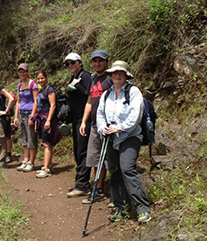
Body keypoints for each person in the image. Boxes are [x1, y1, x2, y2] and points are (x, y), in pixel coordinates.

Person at [96, 60, 151, 224]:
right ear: (111, 75)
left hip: (130, 136)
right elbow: (99, 114)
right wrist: (102, 128)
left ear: (126, 75)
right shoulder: (107, 94)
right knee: (114, 170)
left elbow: (135, 116)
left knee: (127, 168)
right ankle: (121, 208)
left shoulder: (134, 92)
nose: (117, 75)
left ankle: (142, 208)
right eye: (114, 73)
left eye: (120, 73)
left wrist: (119, 128)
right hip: (111, 137)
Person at [77, 50, 113, 205]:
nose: (98, 64)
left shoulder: (111, 79)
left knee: (111, 159)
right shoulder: (92, 79)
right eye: (95, 61)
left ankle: (114, 192)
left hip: (109, 125)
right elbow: (89, 102)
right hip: (94, 125)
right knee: (94, 159)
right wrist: (84, 121)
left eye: (101, 61)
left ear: (106, 62)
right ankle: (98, 189)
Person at [63, 53, 93, 197]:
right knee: (77, 151)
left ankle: (83, 185)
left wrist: (77, 87)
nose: (70, 66)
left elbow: (89, 95)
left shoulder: (85, 76)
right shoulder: (74, 77)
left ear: (80, 62)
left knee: (83, 151)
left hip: (84, 119)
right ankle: (80, 181)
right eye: (67, 64)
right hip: (76, 119)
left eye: (72, 62)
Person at [31, 71, 61, 178]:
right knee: (45, 143)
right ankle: (47, 165)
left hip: (47, 118)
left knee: (46, 143)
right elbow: (38, 105)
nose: (40, 80)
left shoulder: (49, 89)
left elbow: (53, 105)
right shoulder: (40, 90)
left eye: (42, 78)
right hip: (41, 118)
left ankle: (47, 169)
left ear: (46, 78)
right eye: (38, 79)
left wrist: (48, 120)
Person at [14, 63, 38, 172]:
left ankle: (31, 162)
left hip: (29, 113)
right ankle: (25, 159)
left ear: (27, 72)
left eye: (23, 71)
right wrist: (15, 116)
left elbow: (36, 101)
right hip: (21, 113)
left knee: (31, 137)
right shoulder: (19, 85)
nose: (22, 73)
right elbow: (18, 101)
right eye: (20, 72)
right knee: (23, 137)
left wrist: (33, 116)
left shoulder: (32, 84)